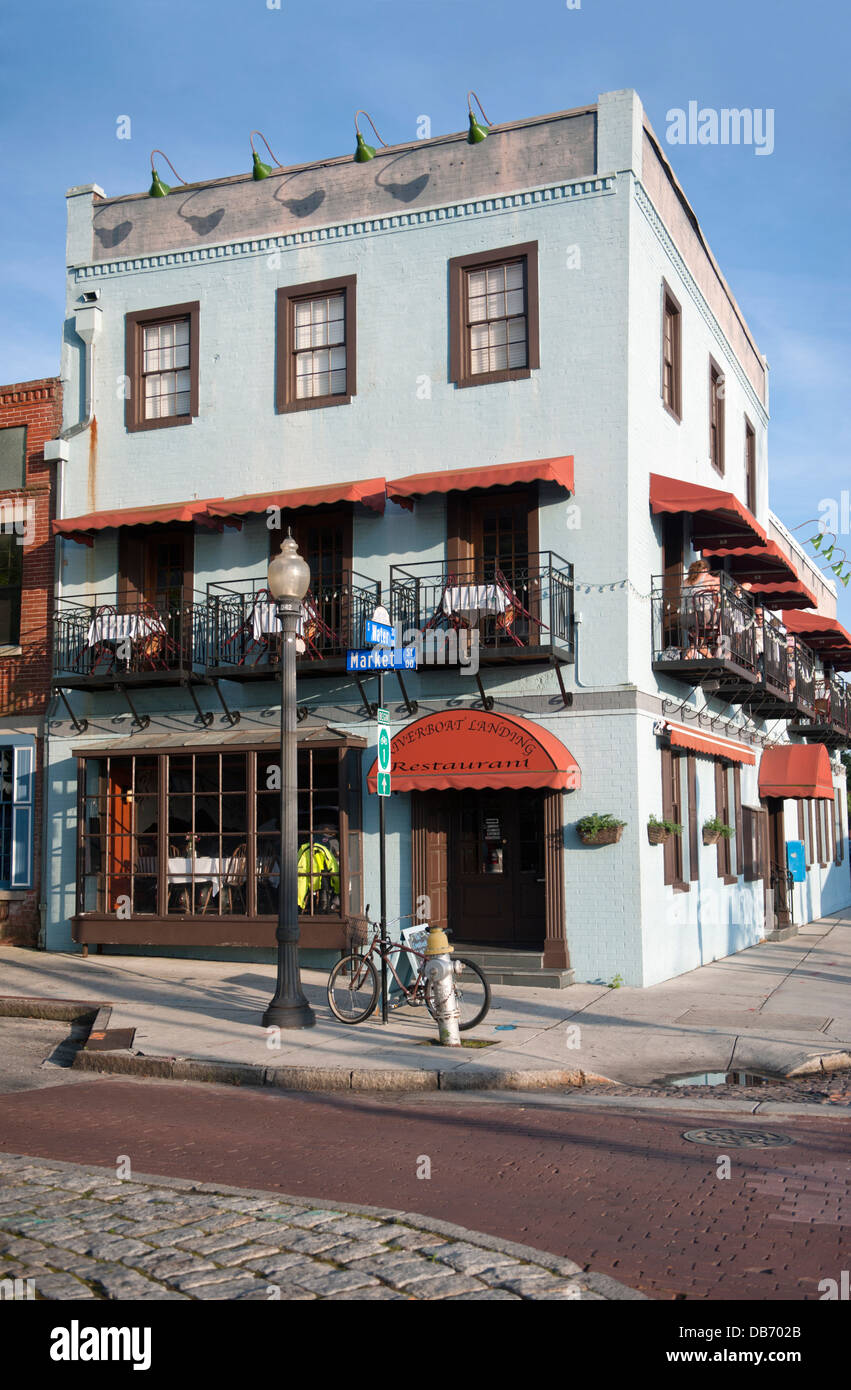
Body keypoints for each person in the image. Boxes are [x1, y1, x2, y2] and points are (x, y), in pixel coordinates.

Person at [683, 559, 721, 658]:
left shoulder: (685, 581)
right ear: (704, 569)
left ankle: (690, 655)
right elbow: (717, 599)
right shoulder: (708, 578)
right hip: (703, 615)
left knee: (698, 636)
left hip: (685, 618)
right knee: (726, 620)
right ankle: (721, 653)